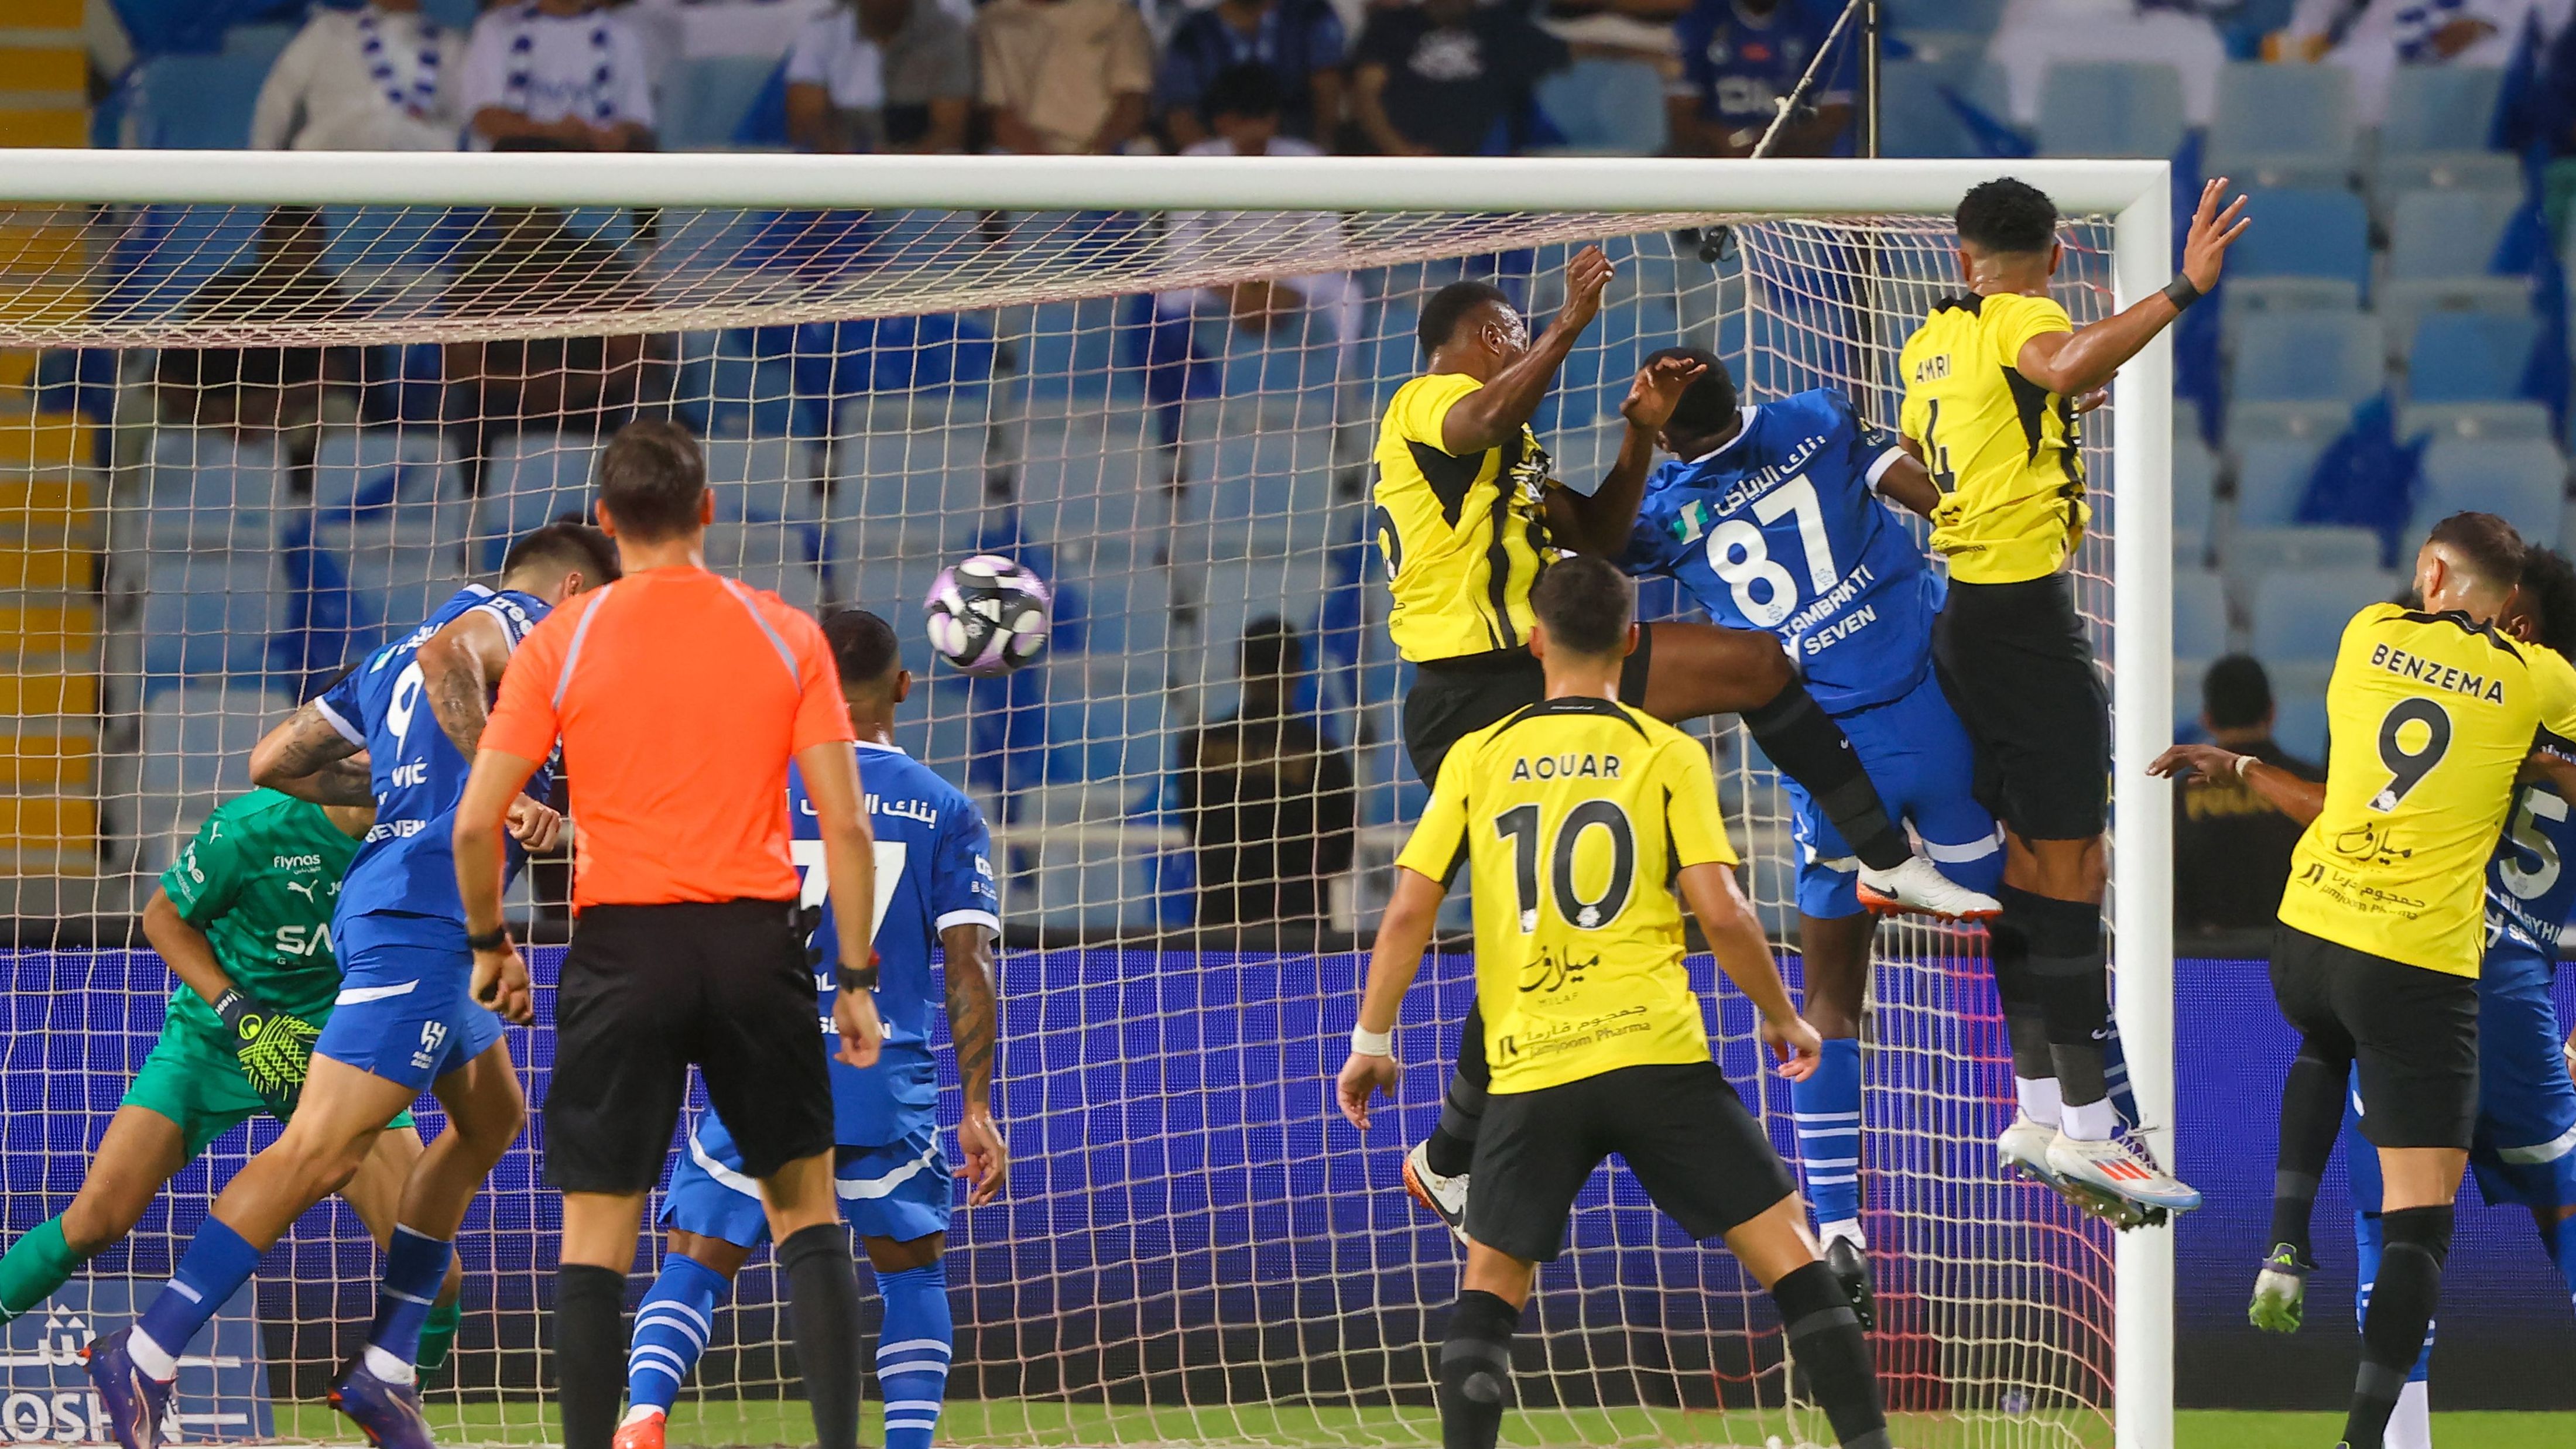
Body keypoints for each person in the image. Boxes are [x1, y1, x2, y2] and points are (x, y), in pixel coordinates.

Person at [1375, 256, 1996, 1245]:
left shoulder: (1517, 449)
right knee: (1545, 932)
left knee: (1753, 667)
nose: (1515, 338)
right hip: (1470, 695)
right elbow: (1479, 420)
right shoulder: (1424, 405)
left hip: (1532, 672)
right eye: (1504, 328)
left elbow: (1601, 537)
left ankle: (1884, 859)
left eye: (1521, 329)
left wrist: (1633, 432)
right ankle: (1451, 1157)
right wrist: (1568, 327)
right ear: (1467, 339)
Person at [1335, 556, 1892, 1449]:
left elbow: (1408, 905)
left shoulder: (1479, 755)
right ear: (1633, 641)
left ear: (1532, 641)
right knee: (1795, 1262)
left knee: (1489, 1291)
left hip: (1531, 1064)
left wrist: (1372, 1037)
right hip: (1656, 1055)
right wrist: (1783, 1013)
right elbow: (1723, 908)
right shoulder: (1664, 750)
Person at [84, 523, 615, 1449]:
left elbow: (272, 763)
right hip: (415, 912)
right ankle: (146, 1349)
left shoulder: (387, 659)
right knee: (319, 1152)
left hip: (433, 911)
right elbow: (460, 654)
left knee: (492, 1118)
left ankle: (386, 1368)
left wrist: (405, 775)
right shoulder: (520, 623)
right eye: (599, 607)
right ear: (571, 587)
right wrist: (498, 783)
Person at [451, 421, 885, 1449]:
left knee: (598, 1240)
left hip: (622, 951)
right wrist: (856, 977)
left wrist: (489, 945)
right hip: (753, 946)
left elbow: (477, 823)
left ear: (605, 521)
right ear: (708, 511)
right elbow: (850, 827)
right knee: (806, 1215)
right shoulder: (785, 629)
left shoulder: (567, 637)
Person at [1614, 348, 2023, 1317]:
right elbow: (1930, 497)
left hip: (1836, 773)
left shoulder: (1669, 511)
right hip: (1940, 725)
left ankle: (1837, 1227)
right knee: (2025, 927)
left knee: (1829, 999)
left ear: (1669, 433)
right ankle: (2064, 1116)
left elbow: (1593, 546)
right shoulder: (1816, 417)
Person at [2162, 513, 2576, 1449]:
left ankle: (2283, 1241)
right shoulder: (2535, 685)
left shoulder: (2366, 633)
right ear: (2514, 611)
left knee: (2333, 1062)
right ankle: (2365, 1435)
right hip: (2439, 973)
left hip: (2315, 936)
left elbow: (2358, 780)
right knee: (2433, 1227)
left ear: (2430, 571)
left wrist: (2237, 765)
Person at [1893, 174, 2247, 1221]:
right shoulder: (2025, 316)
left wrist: (2041, 421)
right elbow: (2056, 357)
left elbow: (1928, 452)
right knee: (2077, 866)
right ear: (2054, 255)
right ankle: (2095, 1136)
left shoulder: (1929, 345)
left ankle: (2041, 1109)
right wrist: (2181, 288)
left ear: (1961, 255)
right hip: (2024, 623)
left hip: (1964, 620)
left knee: (2027, 867)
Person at [614, 609, 1003, 1449]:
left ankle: (643, 1414)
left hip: (763, 1056)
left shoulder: (750, 784)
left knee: (697, 1250)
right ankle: (904, 1443)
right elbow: (969, 964)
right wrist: (976, 1105)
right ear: (903, 686)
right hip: (879, 1069)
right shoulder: (946, 809)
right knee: (911, 1266)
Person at [0, 786, 463, 1366]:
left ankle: (398, 1408)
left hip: (338, 1057)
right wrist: (238, 1013)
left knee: (435, 1277)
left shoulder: (423, 831)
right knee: (95, 1220)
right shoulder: (250, 829)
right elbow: (163, 918)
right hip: (215, 1040)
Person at [1141, 66, 1364, 447]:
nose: (1251, 131)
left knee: (1349, 296)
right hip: (1217, 282)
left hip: (1291, 278)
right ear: (1222, 121)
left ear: (1274, 119)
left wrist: (1285, 289)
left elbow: (1328, 247)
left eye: (1261, 119)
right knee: (1167, 297)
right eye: (1241, 120)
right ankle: (1173, 425)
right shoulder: (1198, 160)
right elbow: (1183, 250)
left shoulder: (1305, 159)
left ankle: (1338, 414)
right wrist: (1233, 290)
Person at [1178, 617, 1359, 929]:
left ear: (1240, 669)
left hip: (1219, 927)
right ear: (1297, 671)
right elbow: (1339, 856)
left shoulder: (1197, 748)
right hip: (1297, 928)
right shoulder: (1322, 757)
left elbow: (1195, 827)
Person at [2173, 655, 2323, 935]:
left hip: (2205, 967)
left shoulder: (2177, 798)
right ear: (2272, 712)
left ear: (2207, 719)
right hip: (2295, 956)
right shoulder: (2314, 788)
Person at [1351, 0, 1570, 156]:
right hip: (1404, 169)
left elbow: (1571, 51)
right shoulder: (1392, 26)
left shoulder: (1498, 26)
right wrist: (1402, 151)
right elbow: (1366, 95)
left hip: (1482, 171)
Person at [251, 0, 467, 152]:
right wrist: (264, 177)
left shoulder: (451, 46)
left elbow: (464, 121)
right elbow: (277, 103)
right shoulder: (328, 31)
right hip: (326, 181)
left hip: (420, 193)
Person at [784, 0, 975, 155]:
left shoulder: (945, 33)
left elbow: (950, 129)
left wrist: (896, 172)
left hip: (918, 180)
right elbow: (806, 118)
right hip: (840, 174)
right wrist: (847, 163)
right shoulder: (823, 29)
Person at [462, 0, 656, 152]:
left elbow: (639, 125)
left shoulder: (622, 35)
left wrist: (613, 137)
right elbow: (486, 119)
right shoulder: (496, 27)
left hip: (597, 171)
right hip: (522, 175)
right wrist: (553, 134)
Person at [1667, 0, 1849, 158]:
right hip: (1716, 165)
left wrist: (1770, 141)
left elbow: (1834, 115)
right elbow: (1680, 112)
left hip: (1790, 166)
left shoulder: (1814, 22)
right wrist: (1724, 144)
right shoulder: (1703, 20)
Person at [1154, 0, 1347, 148]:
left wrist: (1318, 160)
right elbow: (1180, 114)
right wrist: (1214, 168)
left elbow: (1327, 89)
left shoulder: (1310, 14)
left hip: (1299, 153)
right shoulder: (1194, 33)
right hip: (1217, 158)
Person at [975, 0, 1157, 155]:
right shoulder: (994, 20)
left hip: (1107, 152)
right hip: (1027, 155)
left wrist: (1093, 159)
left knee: (1144, 152)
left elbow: (1132, 98)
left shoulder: (1117, 13)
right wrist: (1050, 169)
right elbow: (999, 112)